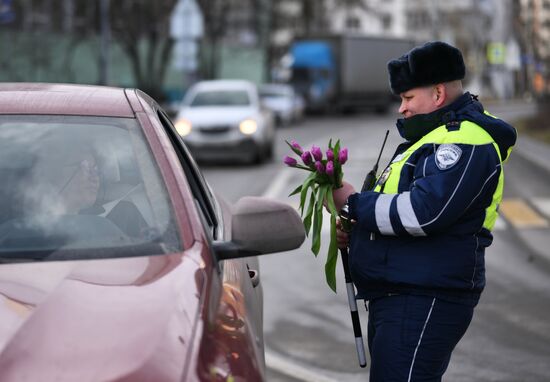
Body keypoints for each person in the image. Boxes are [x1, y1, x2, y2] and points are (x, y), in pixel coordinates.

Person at [332, 41, 517, 381]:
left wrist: (356, 204)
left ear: (437, 93)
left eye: (407, 98)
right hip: (402, 293)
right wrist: (357, 229)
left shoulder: (465, 141)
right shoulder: (431, 138)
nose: (401, 108)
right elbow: (395, 208)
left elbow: (423, 213)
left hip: (423, 296)